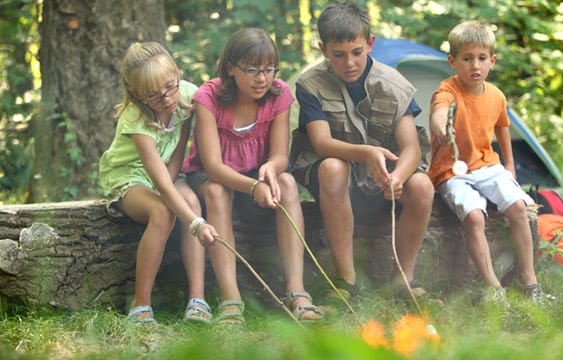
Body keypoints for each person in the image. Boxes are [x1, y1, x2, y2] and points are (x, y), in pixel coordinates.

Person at [289, 0, 434, 303]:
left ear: (370, 44)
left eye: (356, 52)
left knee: (421, 185)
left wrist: (398, 177)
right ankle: (346, 281)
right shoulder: (310, 84)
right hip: (335, 180)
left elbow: (410, 148)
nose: (349, 62)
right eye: (339, 55)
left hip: (382, 180)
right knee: (332, 166)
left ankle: (403, 279)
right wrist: (367, 152)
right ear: (323, 49)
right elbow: (321, 143)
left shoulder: (395, 86)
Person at [181, 27, 323, 325]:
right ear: (231, 68)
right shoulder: (208, 97)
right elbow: (213, 165)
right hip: (212, 175)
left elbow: (280, 156)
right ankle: (231, 298)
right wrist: (253, 186)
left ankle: (296, 291)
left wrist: (270, 170)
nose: (262, 78)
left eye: (269, 69)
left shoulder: (279, 93)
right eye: (253, 70)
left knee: (286, 183)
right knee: (217, 192)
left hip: (255, 174)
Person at [98, 41, 219, 325]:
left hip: (168, 171)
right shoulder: (135, 118)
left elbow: (179, 149)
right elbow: (159, 184)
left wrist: (179, 187)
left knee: (191, 201)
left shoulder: (187, 96)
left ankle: (197, 300)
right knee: (163, 212)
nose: (166, 99)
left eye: (170, 86)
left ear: (177, 72)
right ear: (137, 94)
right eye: (154, 96)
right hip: (129, 175)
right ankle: (141, 306)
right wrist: (196, 224)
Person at [428, 20, 548, 305]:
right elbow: (438, 111)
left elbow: (502, 127)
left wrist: (509, 164)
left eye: (482, 58)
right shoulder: (447, 91)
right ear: (453, 61)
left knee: (519, 207)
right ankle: (493, 287)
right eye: (467, 58)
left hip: (488, 165)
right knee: (474, 216)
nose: (475, 65)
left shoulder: (496, 95)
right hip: (452, 171)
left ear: (492, 61)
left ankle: (529, 280)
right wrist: (440, 127)